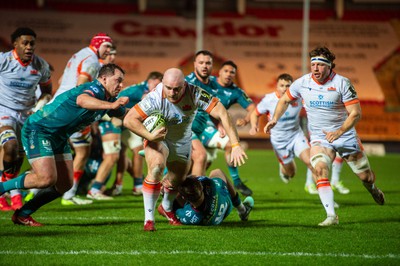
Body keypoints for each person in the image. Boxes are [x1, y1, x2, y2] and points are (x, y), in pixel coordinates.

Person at [264, 46, 385, 226]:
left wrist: (339, 132)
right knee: (319, 169)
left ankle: (373, 189)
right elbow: (284, 100)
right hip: (319, 138)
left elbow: (355, 113)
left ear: (329, 67)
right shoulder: (302, 83)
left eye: (320, 65)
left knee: (365, 177)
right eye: (313, 64)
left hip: (345, 136)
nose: (316, 68)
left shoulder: (342, 83)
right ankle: (331, 216)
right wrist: (274, 118)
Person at [0, 63, 128, 226]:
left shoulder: (109, 99)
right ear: (104, 78)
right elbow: (82, 100)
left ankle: (23, 214)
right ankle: (2, 187)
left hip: (59, 137)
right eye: (118, 80)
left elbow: (127, 117)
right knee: (46, 179)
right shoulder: (94, 89)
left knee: (65, 184)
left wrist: (149, 118)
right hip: (40, 130)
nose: (121, 85)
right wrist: (111, 106)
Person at [123, 68, 247, 231]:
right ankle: (149, 220)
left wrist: (235, 144)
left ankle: (167, 208)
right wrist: (149, 136)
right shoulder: (154, 97)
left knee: (178, 178)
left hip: (182, 141)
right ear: (162, 84)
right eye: (168, 88)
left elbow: (222, 113)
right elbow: (129, 120)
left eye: (177, 89)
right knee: (157, 167)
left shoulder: (195, 93)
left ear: (185, 85)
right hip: (159, 138)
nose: (172, 93)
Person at [56, 33, 113, 205]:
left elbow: (61, 80)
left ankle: (31, 192)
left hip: (59, 105)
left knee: (53, 152)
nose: (109, 51)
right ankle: (68, 194)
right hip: (71, 110)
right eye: (107, 46)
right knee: (82, 151)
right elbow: (81, 86)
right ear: (97, 45)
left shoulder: (80, 55)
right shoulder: (92, 60)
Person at [186, 51, 253, 196]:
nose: (204, 66)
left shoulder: (214, 86)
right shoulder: (187, 83)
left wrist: (219, 123)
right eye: (201, 63)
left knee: (201, 163)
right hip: (188, 130)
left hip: (205, 127)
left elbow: (217, 111)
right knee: (198, 159)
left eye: (208, 63)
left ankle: (193, 195)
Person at [0, 27, 52, 211]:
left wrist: (40, 106)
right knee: (10, 147)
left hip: (27, 114)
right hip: (4, 111)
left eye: (32, 43)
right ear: (15, 44)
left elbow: (46, 92)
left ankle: (11, 192)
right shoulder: (3, 60)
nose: (29, 47)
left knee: (19, 156)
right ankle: (7, 188)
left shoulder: (41, 66)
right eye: (25, 43)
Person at [249, 73, 318, 195]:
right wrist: (254, 126)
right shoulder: (269, 100)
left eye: (288, 86)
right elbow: (255, 113)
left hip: (296, 136)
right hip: (279, 141)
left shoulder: (299, 97)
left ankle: (326, 199)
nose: (284, 89)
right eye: (282, 85)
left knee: (312, 162)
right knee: (290, 173)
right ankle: (283, 167)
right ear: (277, 86)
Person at [106, 71, 163, 196]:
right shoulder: (137, 91)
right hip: (117, 122)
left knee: (122, 154)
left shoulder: (143, 89)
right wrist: (113, 114)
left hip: (125, 124)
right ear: (151, 81)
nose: (160, 87)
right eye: (159, 83)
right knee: (136, 150)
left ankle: (118, 184)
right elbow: (114, 98)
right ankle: (137, 184)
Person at [175, 168, 254, 225]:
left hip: (215, 220)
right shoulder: (210, 184)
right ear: (201, 187)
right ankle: (242, 209)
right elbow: (197, 179)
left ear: (184, 198)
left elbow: (176, 211)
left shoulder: (188, 216)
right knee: (217, 171)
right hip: (225, 203)